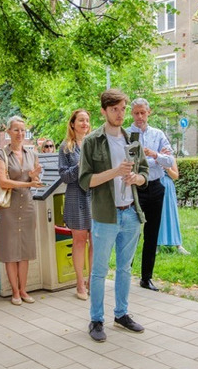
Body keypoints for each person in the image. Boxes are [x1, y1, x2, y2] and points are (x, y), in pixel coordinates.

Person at [79, 88, 149, 342]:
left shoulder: (133, 139)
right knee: (99, 271)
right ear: (104, 111)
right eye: (114, 109)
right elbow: (86, 180)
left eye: (122, 109)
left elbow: (145, 174)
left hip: (131, 212)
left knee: (124, 269)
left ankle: (122, 314)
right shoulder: (92, 141)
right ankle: (96, 319)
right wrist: (115, 171)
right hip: (105, 215)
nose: (119, 114)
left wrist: (136, 177)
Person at [127, 98, 175, 291]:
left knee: (151, 234)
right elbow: (130, 163)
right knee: (130, 233)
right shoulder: (127, 135)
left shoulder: (158, 134)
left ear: (149, 112)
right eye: (136, 113)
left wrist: (154, 155)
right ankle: (125, 273)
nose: (139, 117)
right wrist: (154, 159)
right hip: (133, 189)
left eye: (143, 113)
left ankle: (146, 278)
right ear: (132, 114)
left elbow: (170, 161)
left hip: (155, 187)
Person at [0, 116, 41, 306]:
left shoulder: (32, 154)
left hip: (27, 204)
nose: (20, 134)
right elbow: (3, 182)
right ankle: (14, 291)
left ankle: (23, 289)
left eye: (23, 130)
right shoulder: (1, 154)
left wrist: (33, 178)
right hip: (8, 207)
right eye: (16, 130)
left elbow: (33, 181)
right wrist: (28, 182)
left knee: (25, 249)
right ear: (8, 132)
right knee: (11, 250)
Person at [58, 109, 93, 300]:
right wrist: (81, 165)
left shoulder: (95, 144)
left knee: (95, 241)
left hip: (95, 197)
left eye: (87, 120)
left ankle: (92, 281)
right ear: (72, 124)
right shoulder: (66, 147)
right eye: (81, 120)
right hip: (76, 197)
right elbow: (64, 176)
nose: (84, 124)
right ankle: (79, 283)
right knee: (80, 241)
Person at [158, 160, 187, 254]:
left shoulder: (169, 157)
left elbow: (175, 176)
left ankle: (177, 244)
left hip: (168, 187)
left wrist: (168, 168)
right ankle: (156, 244)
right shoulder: (150, 153)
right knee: (156, 215)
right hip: (154, 185)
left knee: (171, 214)